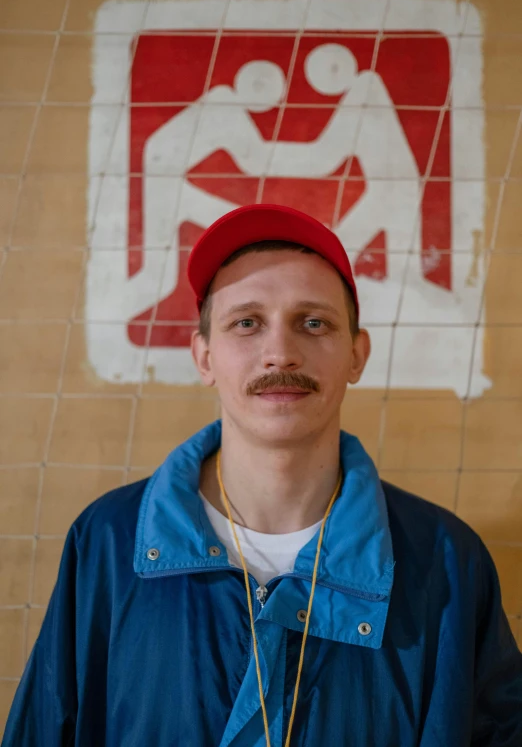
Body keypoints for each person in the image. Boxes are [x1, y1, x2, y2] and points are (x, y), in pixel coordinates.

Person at [3, 203, 521, 747]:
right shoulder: (108, 540)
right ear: (204, 356)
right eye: (246, 323)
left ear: (356, 355)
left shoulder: (445, 561)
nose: (280, 353)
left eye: (313, 322)